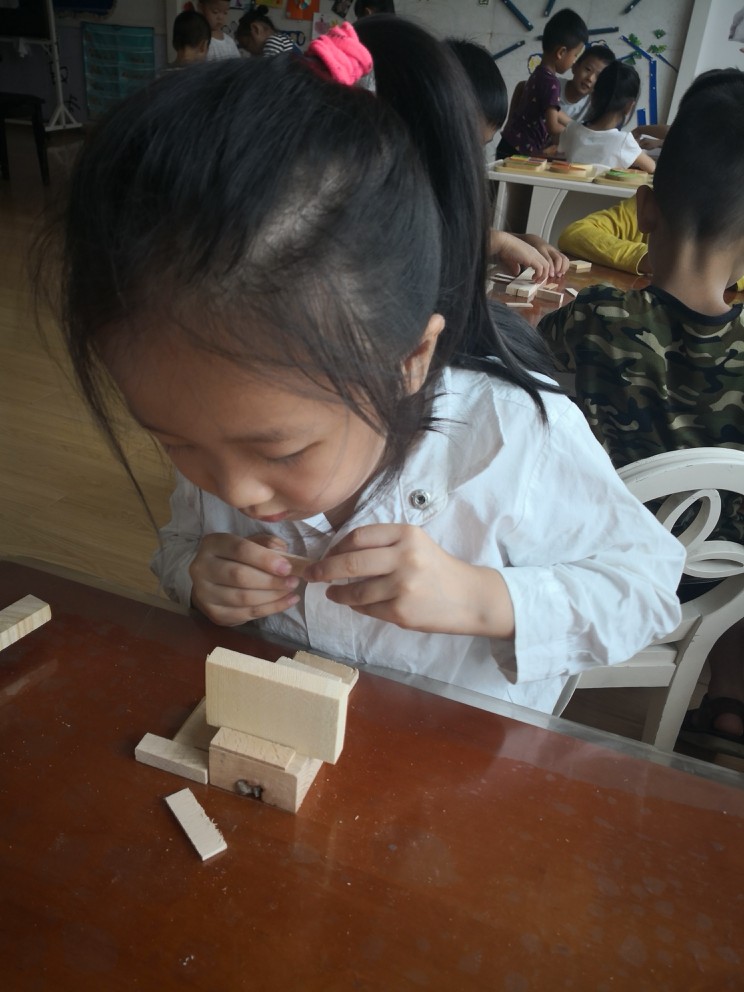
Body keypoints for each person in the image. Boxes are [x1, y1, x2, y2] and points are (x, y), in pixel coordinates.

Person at [48, 20, 683, 715]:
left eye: (282, 451)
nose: (236, 490)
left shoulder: (511, 438)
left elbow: (649, 589)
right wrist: (196, 576)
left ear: (410, 361)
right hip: (280, 727)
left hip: (457, 756)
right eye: (175, 444)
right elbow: (180, 540)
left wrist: (485, 598)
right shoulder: (219, 426)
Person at [538, 69, 744, 742]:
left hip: (601, 571)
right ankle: (727, 700)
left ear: (646, 210)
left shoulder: (598, 315)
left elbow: (532, 360)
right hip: (714, 586)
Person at [447, 38, 568, 281]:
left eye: (481, 146)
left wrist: (520, 240)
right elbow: (422, 243)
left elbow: (457, 237)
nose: (472, 159)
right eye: (465, 145)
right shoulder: (394, 180)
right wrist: (499, 241)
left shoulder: (451, 181)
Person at [497, 8, 588, 160]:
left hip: (508, 143)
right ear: (561, 52)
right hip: (521, 152)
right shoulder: (553, 83)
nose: (574, 61)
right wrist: (575, 135)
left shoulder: (539, 73)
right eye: (575, 55)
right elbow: (553, 126)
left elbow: (521, 88)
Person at [558, 61, 655, 172]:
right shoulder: (624, 141)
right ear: (629, 106)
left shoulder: (572, 130)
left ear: (593, 98)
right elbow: (652, 168)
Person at [559, 44, 615, 122]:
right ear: (575, 67)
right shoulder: (551, 85)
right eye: (588, 69)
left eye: (599, 77)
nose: (590, 78)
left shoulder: (592, 108)